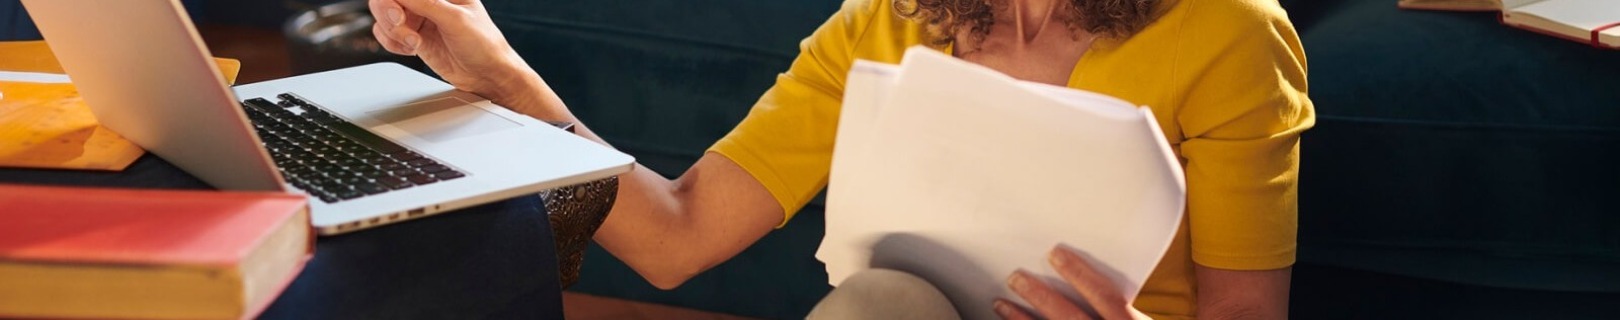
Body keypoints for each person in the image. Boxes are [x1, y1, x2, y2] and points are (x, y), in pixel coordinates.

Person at [369, 0, 1312, 318]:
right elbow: (677, 237)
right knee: (881, 301)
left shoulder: (1229, 31)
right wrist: (499, 76)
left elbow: (1245, 310)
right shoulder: (889, 23)